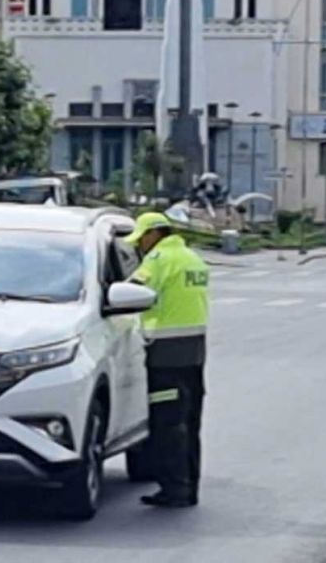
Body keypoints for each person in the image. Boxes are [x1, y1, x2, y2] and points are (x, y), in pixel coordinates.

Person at [125, 212, 210, 508]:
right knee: (189, 422)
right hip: (194, 353)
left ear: (153, 234)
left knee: (168, 424)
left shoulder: (159, 259)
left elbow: (132, 290)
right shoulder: (192, 258)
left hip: (165, 356)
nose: (140, 247)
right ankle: (189, 486)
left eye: (141, 240)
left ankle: (174, 489)